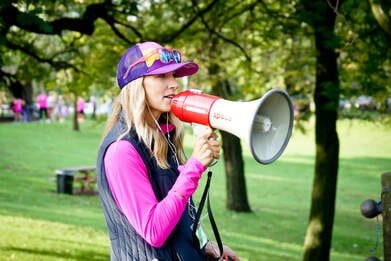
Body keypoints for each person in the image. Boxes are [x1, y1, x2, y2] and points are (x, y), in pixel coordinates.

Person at [97, 41, 240, 261]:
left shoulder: (163, 138)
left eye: (173, 75)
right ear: (137, 85)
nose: (173, 84)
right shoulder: (121, 151)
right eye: (162, 76)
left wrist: (205, 246)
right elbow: (154, 231)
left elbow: (180, 215)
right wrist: (194, 167)